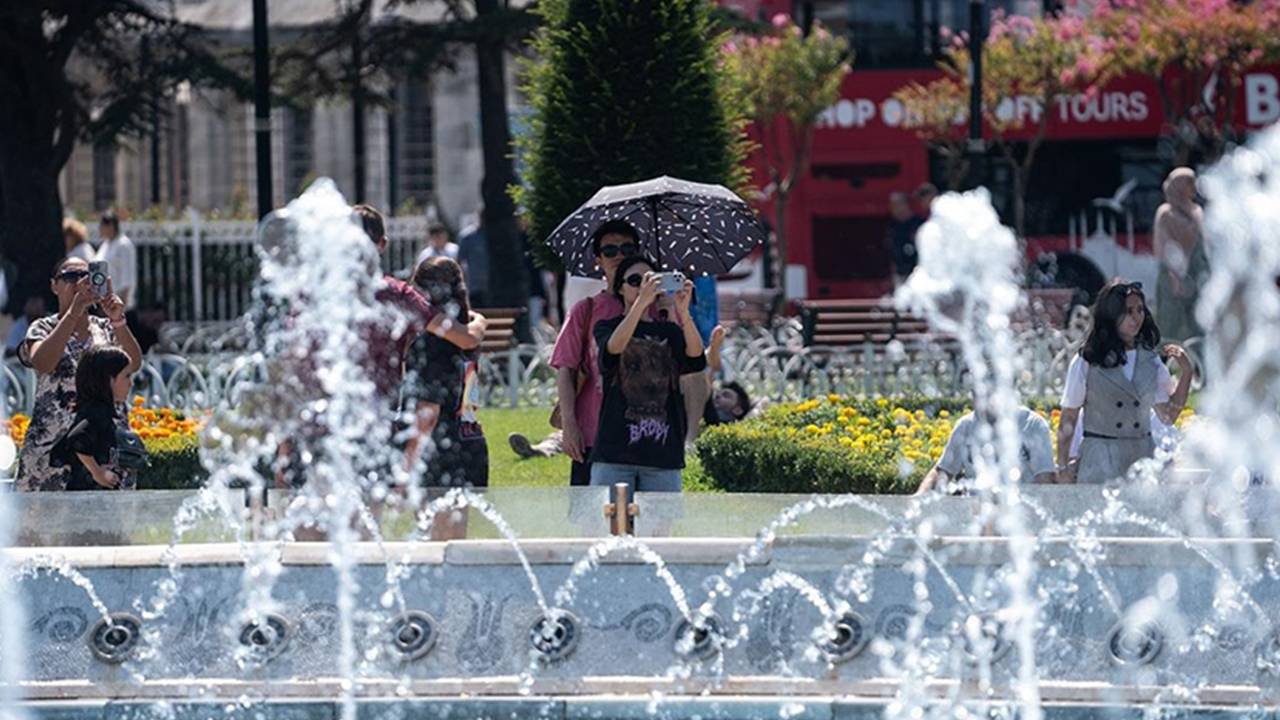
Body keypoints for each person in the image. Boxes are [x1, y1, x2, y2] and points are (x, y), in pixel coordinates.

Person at [527, 220, 642, 481]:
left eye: (627, 249)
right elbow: (566, 370)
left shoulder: (659, 309)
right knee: (593, 518)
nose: (619, 256)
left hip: (648, 435)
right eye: (609, 251)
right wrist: (569, 424)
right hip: (595, 433)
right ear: (598, 260)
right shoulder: (586, 310)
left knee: (649, 519)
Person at [16, 257, 142, 491]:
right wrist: (73, 313)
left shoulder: (106, 328)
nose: (79, 282)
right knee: (41, 526)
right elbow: (42, 362)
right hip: (51, 449)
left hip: (104, 449)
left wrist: (117, 320)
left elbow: (132, 363)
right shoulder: (42, 327)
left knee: (108, 526)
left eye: (87, 275)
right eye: (70, 276)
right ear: (54, 286)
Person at [1056, 279, 1193, 485]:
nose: (1136, 317)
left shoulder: (1151, 361)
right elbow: (1069, 416)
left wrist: (1186, 373)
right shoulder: (1087, 360)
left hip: (1141, 459)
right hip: (1099, 459)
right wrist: (1063, 465)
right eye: (1128, 311)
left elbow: (1168, 416)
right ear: (1112, 314)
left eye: (1140, 310)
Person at [590, 256, 706, 492]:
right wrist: (640, 305)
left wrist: (683, 313)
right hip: (615, 453)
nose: (642, 286)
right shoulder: (606, 326)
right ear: (620, 287)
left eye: (649, 280)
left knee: (657, 528)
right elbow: (613, 349)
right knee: (610, 526)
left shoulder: (670, 332)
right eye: (635, 281)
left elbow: (695, 360)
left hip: (663, 455)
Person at [402, 257, 488, 539]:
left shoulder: (431, 342)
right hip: (470, 441)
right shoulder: (467, 334)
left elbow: (428, 409)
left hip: (439, 452)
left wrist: (409, 464)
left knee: (434, 547)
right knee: (456, 543)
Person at [914, 402, 1056, 495]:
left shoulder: (1032, 425)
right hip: (977, 511)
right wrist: (918, 498)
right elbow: (943, 471)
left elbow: (1045, 481)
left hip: (1019, 513)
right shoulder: (965, 426)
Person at [51, 346, 142, 491]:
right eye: (126, 376)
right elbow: (77, 438)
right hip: (88, 499)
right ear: (109, 380)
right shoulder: (97, 412)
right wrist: (97, 472)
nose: (130, 384)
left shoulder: (99, 410)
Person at [1153, 167, 1209, 343]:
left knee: (1199, 325)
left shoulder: (1197, 212)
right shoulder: (1166, 213)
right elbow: (1163, 247)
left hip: (1196, 274)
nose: (1194, 187)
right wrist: (1174, 275)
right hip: (1172, 277)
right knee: (1170, 324)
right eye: (1188, 183)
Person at [95, 210, 138, 310]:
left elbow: (127, 275)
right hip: (106, 302)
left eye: (102, 226)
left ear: (110, 226)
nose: (100, 229)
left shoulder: (123, 245)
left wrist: (122, 303)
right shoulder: (105, 245)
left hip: (119, 302)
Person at [887, 191, 924, 285]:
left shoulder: (918, 224)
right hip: (900, 273)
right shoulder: (893, 226)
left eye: (896, 205)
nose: (893, 209)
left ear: (905, 205)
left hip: (918, 272)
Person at [457, 211, 491, 309]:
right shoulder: (468, 237)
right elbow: (459, 260)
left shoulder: (497, 235)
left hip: (494, 286)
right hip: (475, 286)